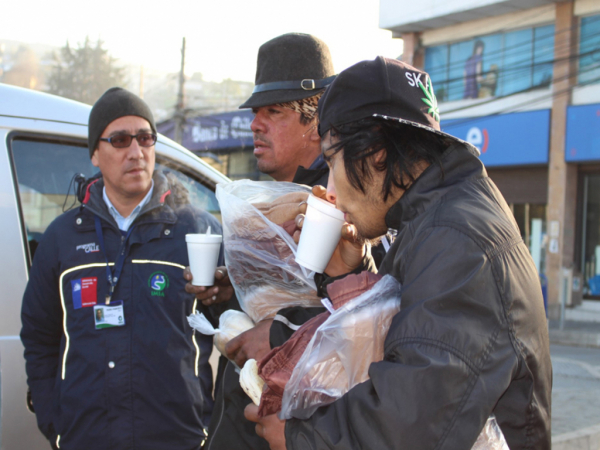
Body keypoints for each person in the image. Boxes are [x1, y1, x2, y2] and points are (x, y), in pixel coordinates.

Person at [246, 57, 552, 450]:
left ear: (376, 152)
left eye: (333, 161)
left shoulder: (457, 237)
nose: (331, 188)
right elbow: (408, 337)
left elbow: (415, 419)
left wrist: (300, 436)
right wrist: (347, 275)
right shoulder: (438, 216)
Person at [21, 87, 220, 450]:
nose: (135, 151)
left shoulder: (197, 230)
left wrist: (207, 423)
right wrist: (56, 422)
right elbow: (38, 337)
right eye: (120, 139)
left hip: (179, 440)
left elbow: (239, 324)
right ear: (95, 154)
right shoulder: (62, 238)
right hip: (87, 439)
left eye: (145, 138)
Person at [184, 33, 347, 450]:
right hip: (239, 423)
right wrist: (227, 293)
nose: (256, 124)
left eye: (273, 112)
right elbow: (267, 309)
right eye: (256, 112)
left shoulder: (341, 205)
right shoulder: (262, 203)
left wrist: (277, 333)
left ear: (317, 119)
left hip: (297, 431)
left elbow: (361, 322)